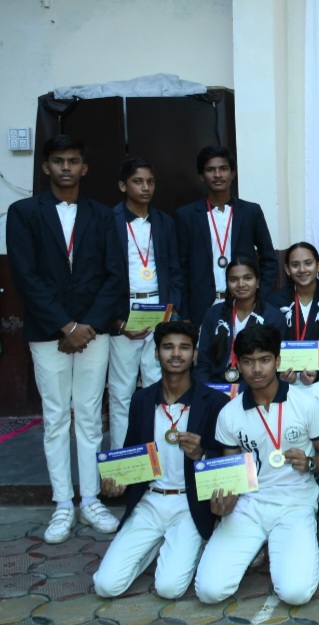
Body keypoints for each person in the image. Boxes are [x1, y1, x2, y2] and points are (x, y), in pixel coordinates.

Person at [7, 134, 126, 544]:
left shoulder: (103, 215)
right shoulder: (23, 212)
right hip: (48, 332)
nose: (65, 167)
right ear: (46, 167)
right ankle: (62, 503)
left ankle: (90, 499)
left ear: (84, 168)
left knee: (90, 416)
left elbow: (115, 275)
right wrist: (65, 326)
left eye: (73, 161)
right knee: (56, 417)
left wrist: (87, 325)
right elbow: (25, 276)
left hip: (95, 331)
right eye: (58, 161)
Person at [193, 324, 319, 605]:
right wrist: (225, 500)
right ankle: (258, 543)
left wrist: (310, 462)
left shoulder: (305, 403)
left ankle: (285, 545)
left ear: (278, 361)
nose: (257, 369)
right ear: (238, 365)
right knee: (209, 591)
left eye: (264, 360)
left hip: (295, 502)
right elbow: (231, 468)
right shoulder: (229, 413)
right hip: (249, 504)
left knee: (295, 593)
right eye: (248, 362)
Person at [93, 321, 229, 599]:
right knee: (105, 586)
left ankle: (188, 544)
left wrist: (201, 454)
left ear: (194, 353)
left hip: (188, 504)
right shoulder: (142, 400)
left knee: (169, 588)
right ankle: (153, 545)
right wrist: (117, 483)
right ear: (156, 353)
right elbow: (131, 453)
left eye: (184, 347)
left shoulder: (215, 402)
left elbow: (227, 461)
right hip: (149, 502)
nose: (176, 354)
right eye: (168, 347)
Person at [108, 157, 185, 449]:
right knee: (121, 392)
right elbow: (103, 274)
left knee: (159, 386)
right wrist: (117, 320)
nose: (145, 188)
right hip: (125, 313)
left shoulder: (164, 222)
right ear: (122, 185)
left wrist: (171, 311)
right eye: (138, 182)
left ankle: (158, 454)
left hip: (160, 312)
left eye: (150, 182)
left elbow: (175, 271)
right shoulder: (109, 220)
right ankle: (123, 460)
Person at [175, 145, 277, 322]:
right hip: (202, 308)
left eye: (223, 169)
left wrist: (260, 295)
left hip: (245, 304)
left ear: (233, 173)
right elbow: (181, 268)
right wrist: (184, 312)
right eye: (210, 170)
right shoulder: (186, 215)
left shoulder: (251, 212)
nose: (217, 175)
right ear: (201, 176)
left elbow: (269, 259)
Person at [195, 256, 286, 385]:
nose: (241, 284)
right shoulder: (214, 313)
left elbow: (275, 365)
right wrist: (205, 390)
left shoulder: (273, 317)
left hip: (255, 387)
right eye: (233, 280)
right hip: (216, 387)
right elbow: (203, 363)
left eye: (247, 278)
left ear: (258, 282)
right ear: (227, 283)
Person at [266, 242, 319, 385]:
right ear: (287, 269)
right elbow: (269, 345)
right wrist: (280, 371)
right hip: (284, 379)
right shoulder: (274, 302)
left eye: (308, 263)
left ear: (318, 265)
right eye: (295, 265)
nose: (302, 270)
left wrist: (317, 372)